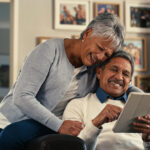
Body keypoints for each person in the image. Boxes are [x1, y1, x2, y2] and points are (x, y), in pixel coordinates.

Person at [0, 13, 139, 150]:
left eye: (107, 54)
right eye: (100, 48)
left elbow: (124, 84)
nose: (100, 57)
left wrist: (144, 103)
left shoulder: (95, 67)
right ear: (87, 34)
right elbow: (22, 96)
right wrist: (59, 125)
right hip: (12, 121)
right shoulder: (49, 50)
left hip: (51, 124)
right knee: (14, 134)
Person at [63, 50, 149, 150]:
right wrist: (95, 123)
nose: (119, 77)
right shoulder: (77, 105)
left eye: (125, 74)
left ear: (129, 81)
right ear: (99, 72)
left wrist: (147, 140)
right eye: (114, 70)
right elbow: (74, 148)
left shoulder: (142, 108)